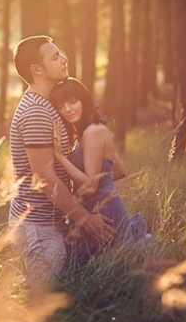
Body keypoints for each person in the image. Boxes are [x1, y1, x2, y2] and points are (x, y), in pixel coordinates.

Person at [8, 36, 115, 298]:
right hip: (37, 227)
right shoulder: (36, 111)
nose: (64, 59)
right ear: (37, 70)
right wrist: (86, 220)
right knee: (42, 305)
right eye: (55, 57)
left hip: (52, 223)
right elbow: (44, 178)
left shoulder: (49, 106)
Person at [50, 77, 147, 266]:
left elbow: (89, 186)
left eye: (72, 102)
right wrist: (105, 182)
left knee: (115, 268)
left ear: (83, 100)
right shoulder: (91, 130)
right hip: (106, 208)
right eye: (61, 106)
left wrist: (60, 157)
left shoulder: (93, 132)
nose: (68, 109)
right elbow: (119, 171)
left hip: (105, 213)